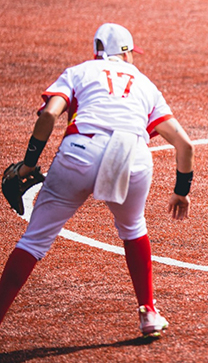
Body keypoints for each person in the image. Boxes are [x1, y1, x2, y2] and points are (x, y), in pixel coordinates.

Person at [0, 23, 195, 338]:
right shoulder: (146, 84)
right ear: (124, 51)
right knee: (133, 229)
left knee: (33, 242)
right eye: (131, 51)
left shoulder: (79, 72)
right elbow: (185, 145)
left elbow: (49, 115)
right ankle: (148, 313)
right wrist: (181, 192)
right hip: (132, 156)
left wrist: (28, 164)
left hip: (80, 151)